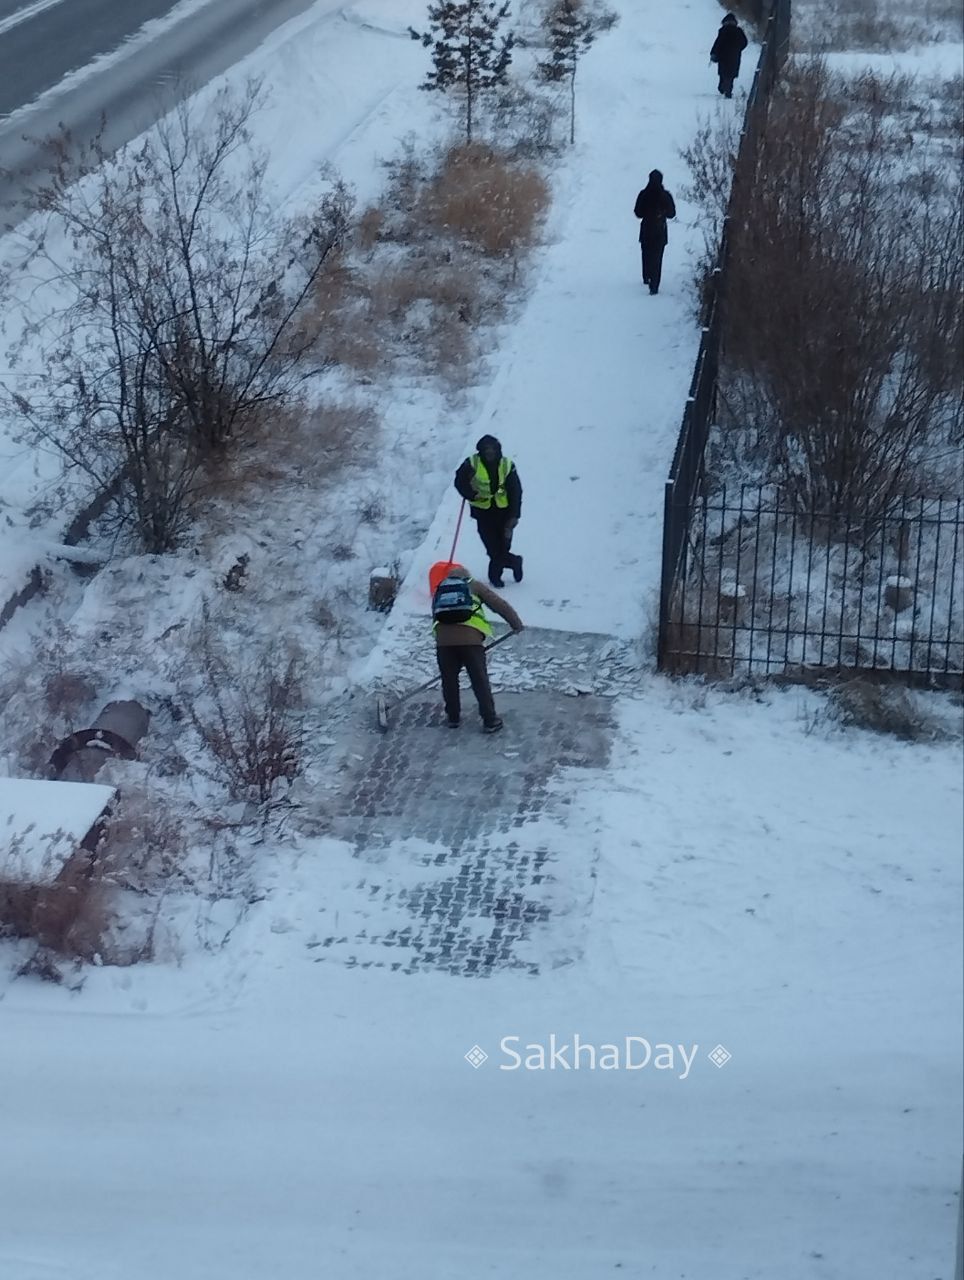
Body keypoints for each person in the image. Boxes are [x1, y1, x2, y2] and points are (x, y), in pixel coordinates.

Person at [433, 565, 523, 733]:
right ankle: (490, 720)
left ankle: (453, 718)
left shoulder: (441, 588)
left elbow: (435, 615)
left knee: (449, 680)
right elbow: (498, 604)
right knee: (479, 680)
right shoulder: (473, 585)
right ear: (466, 575)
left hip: (444, 643)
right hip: (471, 642)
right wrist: (515, 623)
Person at [454, 435, 523, 588]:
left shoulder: (507, 465)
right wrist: (471, 494)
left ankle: (513, 563)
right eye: (486, 450)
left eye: (493, 449)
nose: (490, 452)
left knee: (503, 546)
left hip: (504, 513)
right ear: (481, 451)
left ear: (498, 450)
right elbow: (459, 481)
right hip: (483, 513)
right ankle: (497, 574)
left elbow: (516, 491)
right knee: (492, 547)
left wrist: (514, 515)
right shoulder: (472, 463)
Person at [633, 170, 676, 295]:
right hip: (660, 229)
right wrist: (662, 213)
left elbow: (638, 212)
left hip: (646, 228)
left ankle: (646, 276)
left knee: (646, 254)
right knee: (657, 258)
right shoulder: (666, 195)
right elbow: (672, 214)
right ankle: (654, 285)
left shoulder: (643, 194)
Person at [710, 13, 748, 99]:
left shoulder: (723, 31)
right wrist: (738, 49)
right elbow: (744, 42)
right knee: (730, 75)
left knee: (723, 73)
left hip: (723, 56)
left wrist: (713, 53)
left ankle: (723, 87)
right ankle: (728, 90)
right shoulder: (739, 31)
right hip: (734, 56)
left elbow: (717, 43)